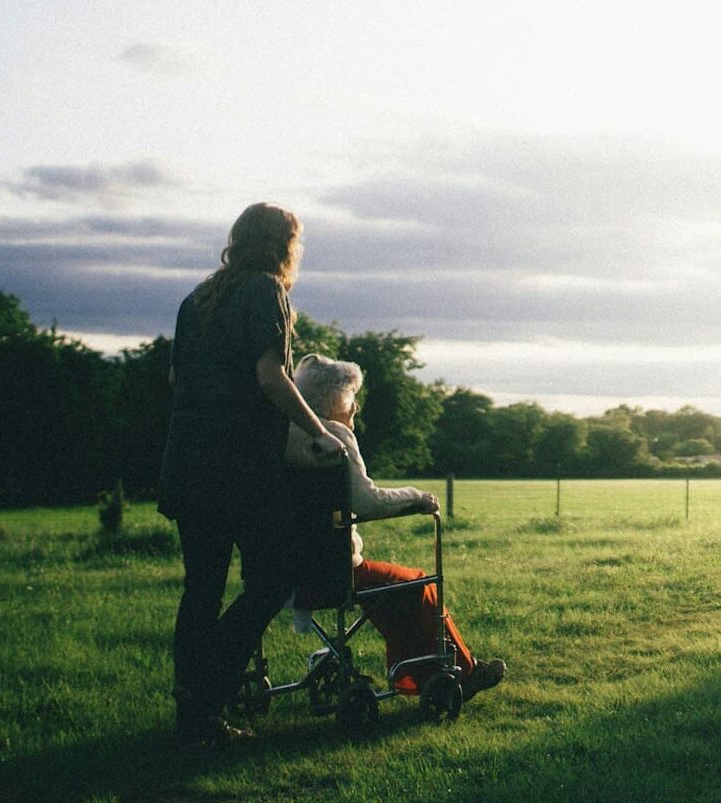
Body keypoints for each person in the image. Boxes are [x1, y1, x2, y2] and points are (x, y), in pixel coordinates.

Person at [158, 202, 345, 744]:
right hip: (236, 469)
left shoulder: (197, 299)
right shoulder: (266, 292)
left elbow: (178, 378)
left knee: (202, 589)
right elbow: (271, 376)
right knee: (270, 581)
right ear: (284, 245)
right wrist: (319, 430)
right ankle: (206, 693)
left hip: (187, 462)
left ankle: (192, 712)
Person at [284, 354, 506, 699]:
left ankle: (422, 675)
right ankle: (463, 671)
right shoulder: (334, 436)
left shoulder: (286, 436)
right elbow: (367, 502)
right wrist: (416, 497)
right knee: (417, 584)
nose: (356, 407)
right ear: (333, 400)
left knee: (392, 589)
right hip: (334, 570)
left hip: (290, 569)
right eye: (351, 397)